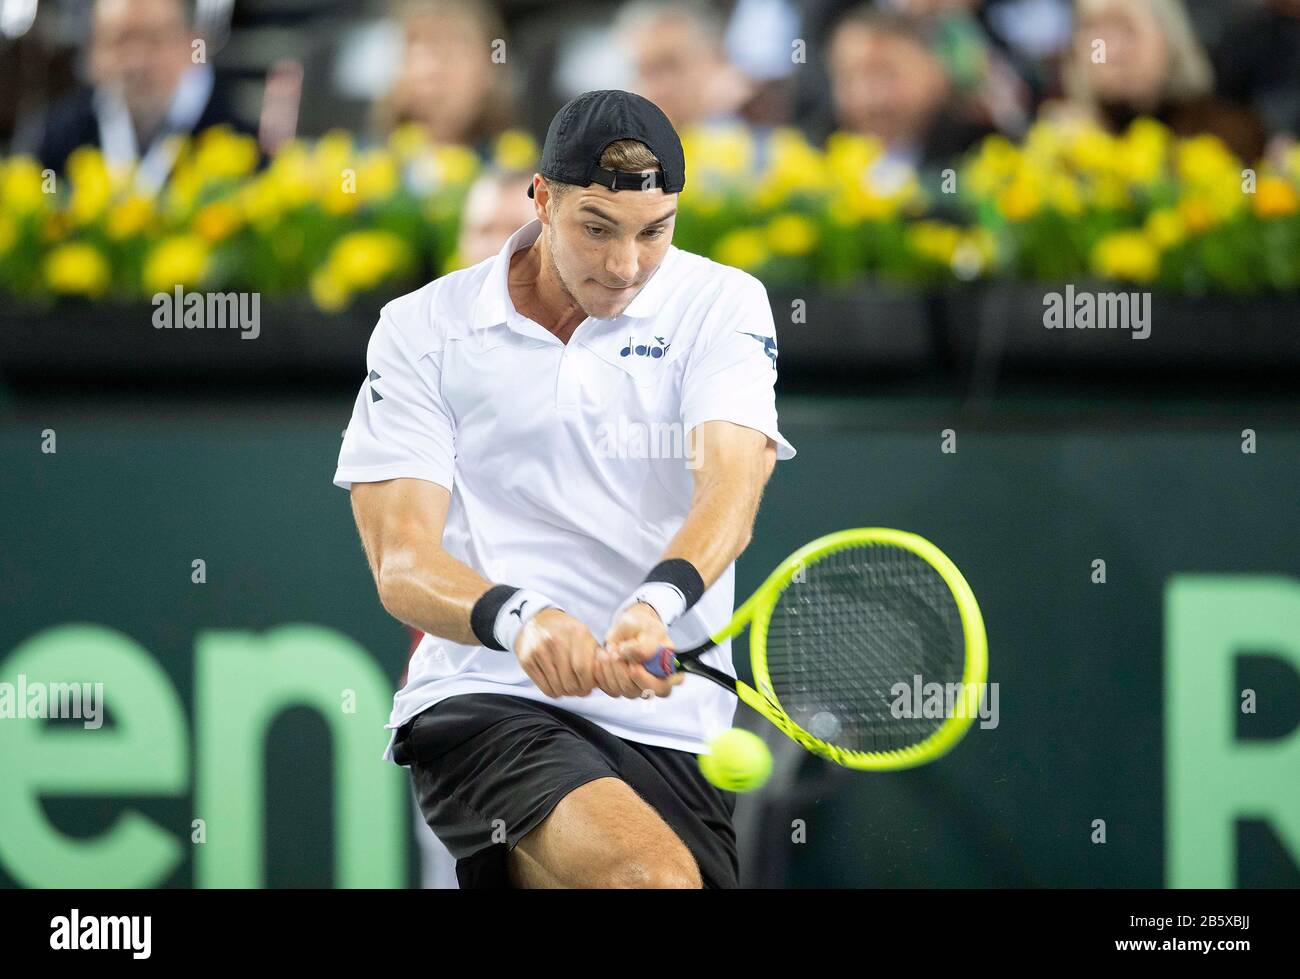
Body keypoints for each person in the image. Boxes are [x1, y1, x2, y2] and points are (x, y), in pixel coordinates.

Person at [335, 90, 795, 888]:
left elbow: (730, 484)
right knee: (648, 880)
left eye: (655, 231)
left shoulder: (722, 305)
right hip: (485, 697)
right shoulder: (421, 328)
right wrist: (522, 620)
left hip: (671, 724)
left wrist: (654, 606)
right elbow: (400, 560)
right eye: (597, 227)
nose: (626, 267)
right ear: (541, 199)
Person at [31, 0, 255, 192]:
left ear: (193, 42)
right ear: (93, 50)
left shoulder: (239, 142)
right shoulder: (58, 138)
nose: (136, 60)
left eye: (154, 39)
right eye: (119, 40)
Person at [1050, 0, 1268, 162]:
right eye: (1095, 31)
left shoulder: (1228, 137)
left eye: (1126, 29)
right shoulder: (1063, 147)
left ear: (1170, 35)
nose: (1111, 52)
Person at [372, 0, 516, 153]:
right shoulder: (362, 165)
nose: (429, 72)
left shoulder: (519, 163)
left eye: (450, 55)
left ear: (490, 70)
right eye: (415, 53)